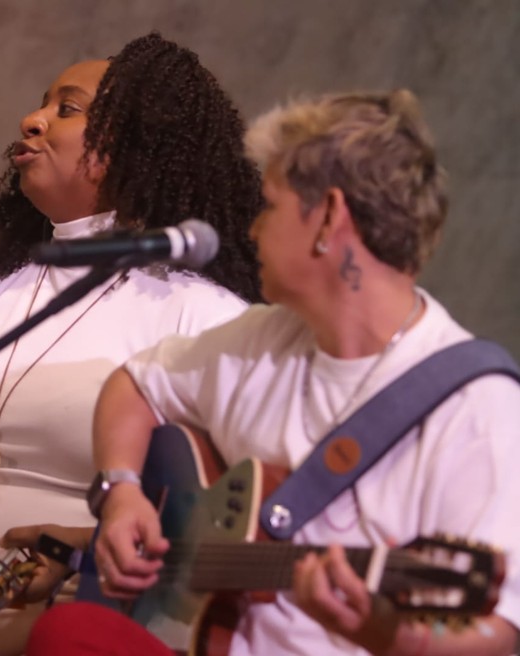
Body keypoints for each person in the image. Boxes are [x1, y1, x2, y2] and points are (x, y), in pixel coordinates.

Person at [0, 32, 264, 655]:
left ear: (137, 141)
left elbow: (214, 521)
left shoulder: (200, 311)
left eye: (67, 108)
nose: (32, 121)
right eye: (41, 103)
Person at [80, 90, 520, 654]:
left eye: (270, 205)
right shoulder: (262, 339)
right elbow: (134, 385)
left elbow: (495, 634)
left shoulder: (477, 407)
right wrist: (120, 490)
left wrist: (380, 633)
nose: (252, 230)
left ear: (329, 216)